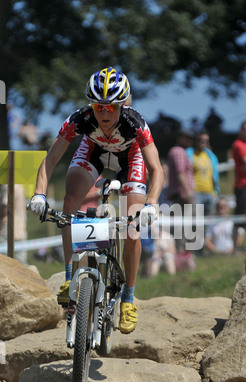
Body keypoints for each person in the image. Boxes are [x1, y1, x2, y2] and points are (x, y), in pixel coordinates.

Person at [28, 66, 164, 334]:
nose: (104, 113)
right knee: (70, 202)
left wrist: (151, 203)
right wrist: (39, 194)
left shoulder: (134, 122)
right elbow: (50, 160)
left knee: (133, 226)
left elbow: (157, 168)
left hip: (130, 158)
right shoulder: (80, 119)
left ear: (122, 106)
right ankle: (70, 278)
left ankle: (128, 298)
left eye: (111, 107)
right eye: (98, 106)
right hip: (94, 151)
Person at [186, 131, 220, 216]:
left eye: (206, 141)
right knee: (196, 225)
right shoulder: (189, 154)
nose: (203, 142)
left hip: (210, 193)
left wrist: (215, 192)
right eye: (200, 140)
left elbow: (215, 175)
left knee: (208, 223)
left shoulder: (211, 156)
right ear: (195, 141)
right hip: (195, 193)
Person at [0, 184, 28, 264]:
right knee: (22, 264)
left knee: (4, 264)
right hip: (20, 230)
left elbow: (5, 210)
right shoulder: (20, 187)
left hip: (7, 231)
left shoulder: (8, 187)